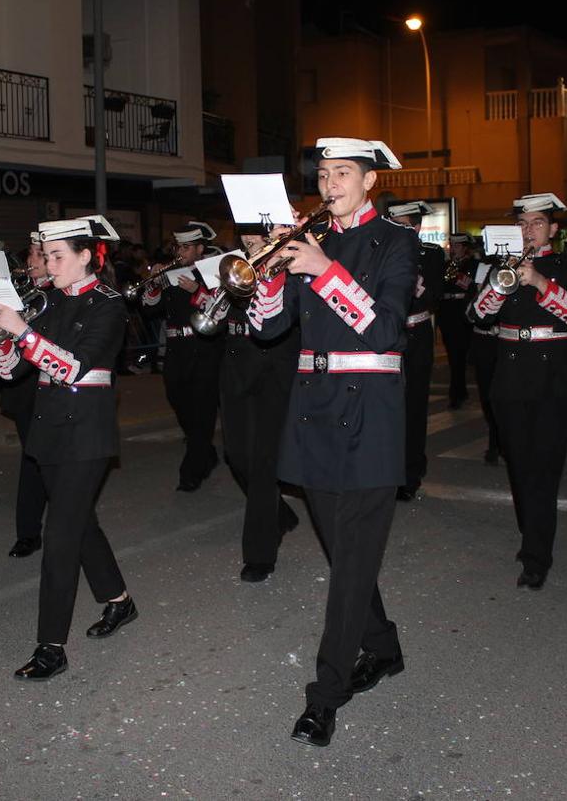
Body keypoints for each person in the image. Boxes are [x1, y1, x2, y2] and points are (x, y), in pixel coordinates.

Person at [247, 136, 413, 748]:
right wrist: (266, 272)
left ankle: (325, 696)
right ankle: (385, 647)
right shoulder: (306, 243)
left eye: (342, 173)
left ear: (370, 181)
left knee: (347, 569)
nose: (329, 184)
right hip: (312, 413)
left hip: (371, 416)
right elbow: (268, 329)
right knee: (346, 553)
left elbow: (386, 331)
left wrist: (323, 270)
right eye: (322, 174)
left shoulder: (397, 241)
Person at [0, 215, 136, 681]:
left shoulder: (109, 305)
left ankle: (51, 646)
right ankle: (119, 601)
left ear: (86, 256)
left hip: (86, 431)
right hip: (48, 426)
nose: (48, 266)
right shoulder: (47, 300)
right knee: (79, 523)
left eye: (57, 257)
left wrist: (24, 332)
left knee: (61, 536)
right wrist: (2, 340)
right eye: (45, 256)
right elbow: (13, 372)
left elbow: (72, 367)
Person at [469, 193, 567, 589]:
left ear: (553, 229)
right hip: (510, 376)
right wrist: (501, 285)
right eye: (522, 223)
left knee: (545, 469)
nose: (528, 230)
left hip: (553, 378)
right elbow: (477, 315)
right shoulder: (499, 264)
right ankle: (532, 537)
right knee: (519, 467)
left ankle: (538, 555)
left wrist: (538, 280)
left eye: (537, 223)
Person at [219, 229, 301, 583]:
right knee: (237, 455)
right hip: (237, 366)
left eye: (257, 236)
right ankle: (279, 513)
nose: (251, 242)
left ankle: (260, 554)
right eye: (247, 237)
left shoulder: (293, 264)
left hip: (275, 369)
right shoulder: (235, 264)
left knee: (264, 462)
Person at [140, 221, 222, 492]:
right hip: (177, 349)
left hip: (204, 348)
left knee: (203, 409)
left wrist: (196, 292)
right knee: (179, 401)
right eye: (179, 247)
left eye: (187, 247)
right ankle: (205, 452)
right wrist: (153, 284)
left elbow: (221, 310)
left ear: (200, 248)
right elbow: (151, 309)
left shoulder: (214, 272)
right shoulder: (171, 272)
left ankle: (192, 471)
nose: (181, 252)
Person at [386, 199, 445, 502]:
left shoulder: (431, 255)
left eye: (406, 226)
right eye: (395, 225)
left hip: (417, 332)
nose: (400, 230)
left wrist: (416, 284)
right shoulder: (382, 250)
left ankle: (411, 472)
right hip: (389, 332)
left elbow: (436, 296)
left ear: (418, 227)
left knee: (414, 406)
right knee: (387, 406)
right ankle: (388, 470)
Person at [2, 241, 52, 558]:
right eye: (29, 253)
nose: (29, 259)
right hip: (23, 386)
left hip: (50, 382)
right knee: (32, 457)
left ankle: (35, 531)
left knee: (45, 460)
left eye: (36, 254)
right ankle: (29, 532)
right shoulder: (19, 292)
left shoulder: (57, 295)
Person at [437, 233, 479, 410]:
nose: (453, 249)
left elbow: (473, 287)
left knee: (460, 355)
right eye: (451, 245)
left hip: (463, 311)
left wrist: (458, 277)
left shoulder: (473, 265)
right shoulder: (446, 265)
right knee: (453, 355)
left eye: (457, 246)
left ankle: (457, 393)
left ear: (465, 247)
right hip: (447, 311)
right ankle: (459, 391)